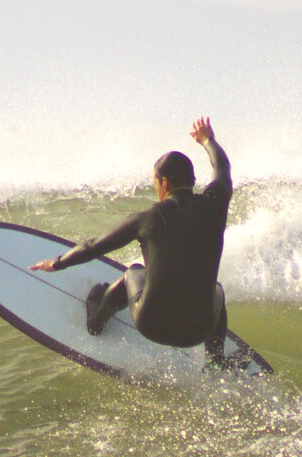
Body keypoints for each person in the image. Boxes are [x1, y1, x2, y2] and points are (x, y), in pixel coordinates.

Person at [30, 117, 234, 366]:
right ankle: (216, 360)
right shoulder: (216, 202)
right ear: (192, 181)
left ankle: (96, 321)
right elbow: (222, 166)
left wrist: (57, 262)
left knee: (133, 273)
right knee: (217, 291)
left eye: (155, 183)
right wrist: (207, 140)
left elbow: (93, 246)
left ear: (164, 183)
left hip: (151, 325)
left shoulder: (148, 218)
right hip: (199, 330)